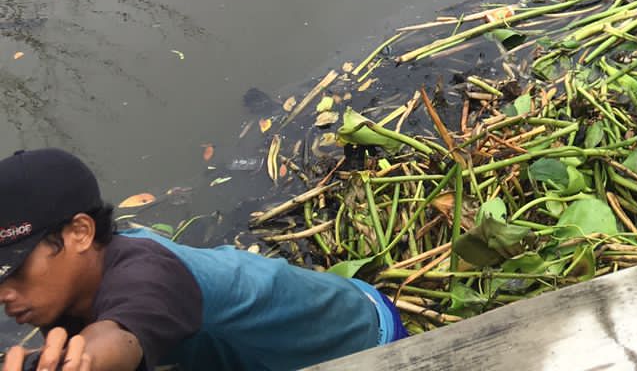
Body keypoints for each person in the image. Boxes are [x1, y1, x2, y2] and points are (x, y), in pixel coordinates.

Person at [0, 149, 406, 371]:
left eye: (14, 269)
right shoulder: (64, 287)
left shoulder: (150, 276)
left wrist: (83, 362)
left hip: (367, 340)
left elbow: (118, 337)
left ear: (80, 233)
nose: (3, 292)